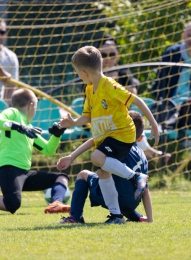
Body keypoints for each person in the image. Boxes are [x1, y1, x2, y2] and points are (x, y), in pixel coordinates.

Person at [59, 45, 159, 224]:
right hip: (107, 137)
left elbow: (137, 100)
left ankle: (136, 177)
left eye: (77, 73)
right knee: (102, 170)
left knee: (96, 157)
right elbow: (87, 116)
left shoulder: (111, 86)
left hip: (123, 134)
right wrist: (73, 123)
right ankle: (116, 216)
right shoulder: (90, 89)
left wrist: (154, 125)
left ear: (84, 72)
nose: (78, 76)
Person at [57, 111, 153, 224]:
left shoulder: (118, 146)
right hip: (131, 203)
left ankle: (76, 217)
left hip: (117, 197)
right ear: (140, 138)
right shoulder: (142, 156)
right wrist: (150, 220)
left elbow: (95, 140)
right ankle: (138, 217)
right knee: (121, 184)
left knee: (84, 174)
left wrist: (72, 156)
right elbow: (145, 190)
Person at [99, 34, 171, 164]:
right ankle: (150, 153)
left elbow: (133, 92)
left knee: (132, 122)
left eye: (112, 54)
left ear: (117, 54)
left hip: (123, 115)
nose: (108, 58)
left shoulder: (122, 72)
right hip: (99, 118)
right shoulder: (95, 75)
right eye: (104, 55)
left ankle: (146, 153)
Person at [0, 88, 70, 214]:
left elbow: (48, 150)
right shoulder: (13, 112)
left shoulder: (29, 128)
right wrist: (19, 127)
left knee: (61, 177)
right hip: (8, 168)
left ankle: (56, 203)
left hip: (24, 173)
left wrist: (57, 135)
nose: (35, 111)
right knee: (12, 203)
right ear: (30, 106)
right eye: (36, 107)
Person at [0, 18, 19, 106]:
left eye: (2, 32)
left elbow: (11, 88)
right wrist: (3, 73)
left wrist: (4, 108)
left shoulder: (11, 57)